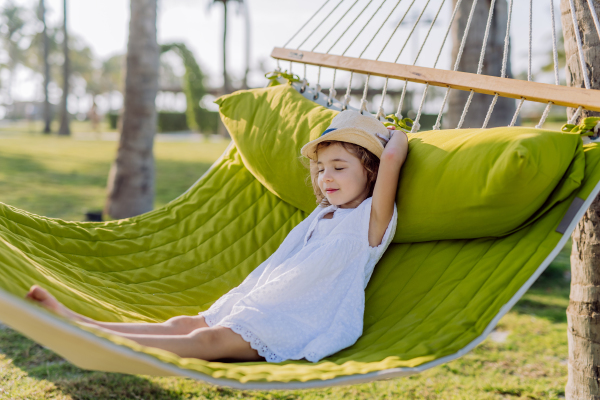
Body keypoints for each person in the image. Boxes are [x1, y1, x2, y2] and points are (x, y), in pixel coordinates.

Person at [25, 110, 409, 363]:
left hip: (294, 321)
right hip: (261, 302)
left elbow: (393, 156)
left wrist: (394, 133)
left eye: (339, 167)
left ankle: (99, 346)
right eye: (321, 168)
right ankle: (82, 325)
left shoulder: (371, 221)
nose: (326, 177)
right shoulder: (322, 214)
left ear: (371, 172)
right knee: (181, 324)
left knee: (209, 343)